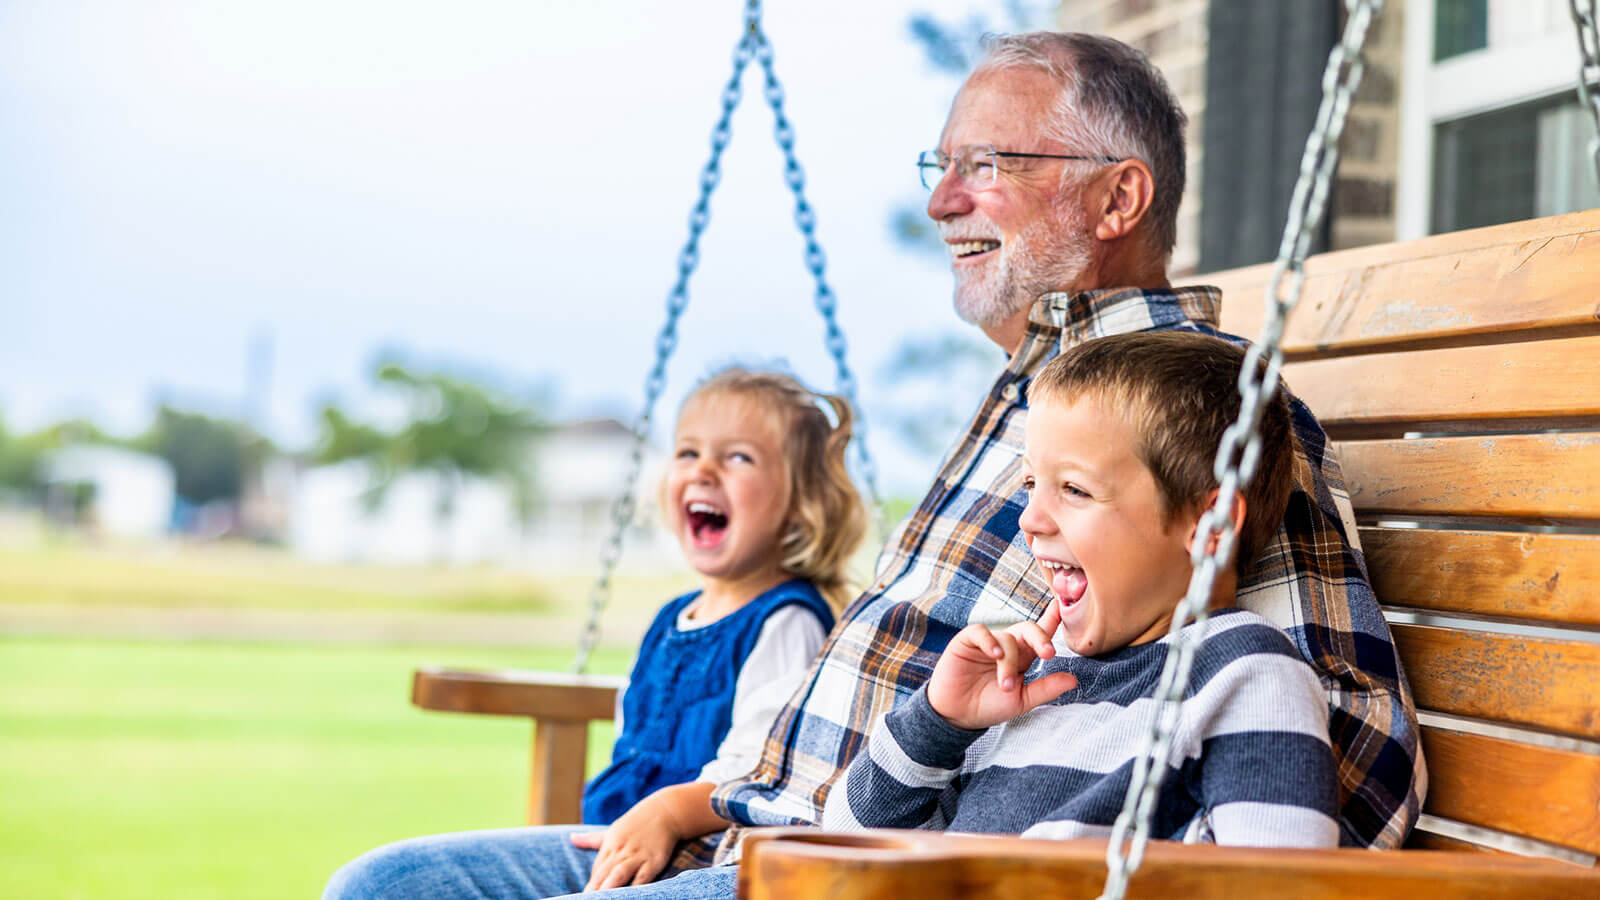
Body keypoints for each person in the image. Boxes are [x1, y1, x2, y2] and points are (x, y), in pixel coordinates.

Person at [327, 30, 1422, 900]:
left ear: (1116, 199)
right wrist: (712, 800)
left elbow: (1344, 754)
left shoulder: (1193, 411)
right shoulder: (1043, 401)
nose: (942, 200)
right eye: (938, 167)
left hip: (875, 872)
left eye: (986, 165)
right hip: (788, 827)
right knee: (385, 883)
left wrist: (1033, 858)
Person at [323, 367, 866, 899]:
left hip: (699, 860)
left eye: (738, 457)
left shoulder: (788, 621)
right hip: (616, 847)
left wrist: (668, 812)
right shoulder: (673, 617)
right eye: (687, 452)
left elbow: (760, 774)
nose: (703, 471)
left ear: (802, 505)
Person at [821, 331, 1338, 847]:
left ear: (1211, 526)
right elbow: (845, 847)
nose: (1029, 519)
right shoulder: (1034, 681)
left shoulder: (1245, 675)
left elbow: (1279, 877)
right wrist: (938, 724)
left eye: (1074, 489)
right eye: (1029, 484)